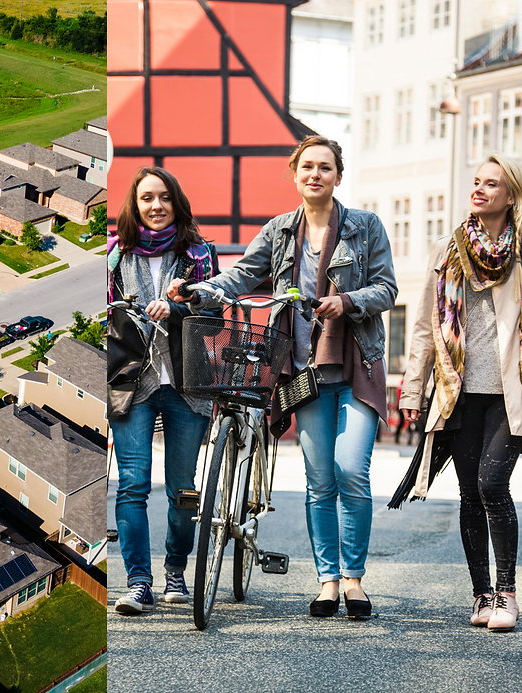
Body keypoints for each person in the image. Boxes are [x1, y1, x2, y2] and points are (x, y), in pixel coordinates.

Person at [170, 136, 397, 619]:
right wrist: (200, 290)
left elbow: (386, 288)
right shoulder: (278, 231)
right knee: (320, 480)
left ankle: (354, 580)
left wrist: (347, 301)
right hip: (302, 370)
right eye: (307, 166)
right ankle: (328, 581)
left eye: (325, 167)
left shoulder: (365, 226)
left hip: (356, 364)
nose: (316, 174)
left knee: (351, 471)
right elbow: (241, 276)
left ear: (338, 176)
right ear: (295, 175)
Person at [400, 153, 522, 632]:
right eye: (477, 181)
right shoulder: (447, 251)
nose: (479, 189)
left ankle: (506, 593)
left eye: (491, 183)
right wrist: (412, 390)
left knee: (492, 485)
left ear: (511, 196)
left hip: (514, 392)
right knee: (469, 493)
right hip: (458, 392)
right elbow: (425, 326)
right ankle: (481, 594)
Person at [107, 166, 219, 614]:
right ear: (134, 206)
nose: (156, 206)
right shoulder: (114, 256)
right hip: (132, 381)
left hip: (186, 383)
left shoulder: (199, 256)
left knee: (182, 489)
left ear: (177, 202)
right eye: (147, 198)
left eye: (165, 197)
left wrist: (178, 308)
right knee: (132, 485)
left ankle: (176, 570)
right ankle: (139, 582)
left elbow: (215, 317)